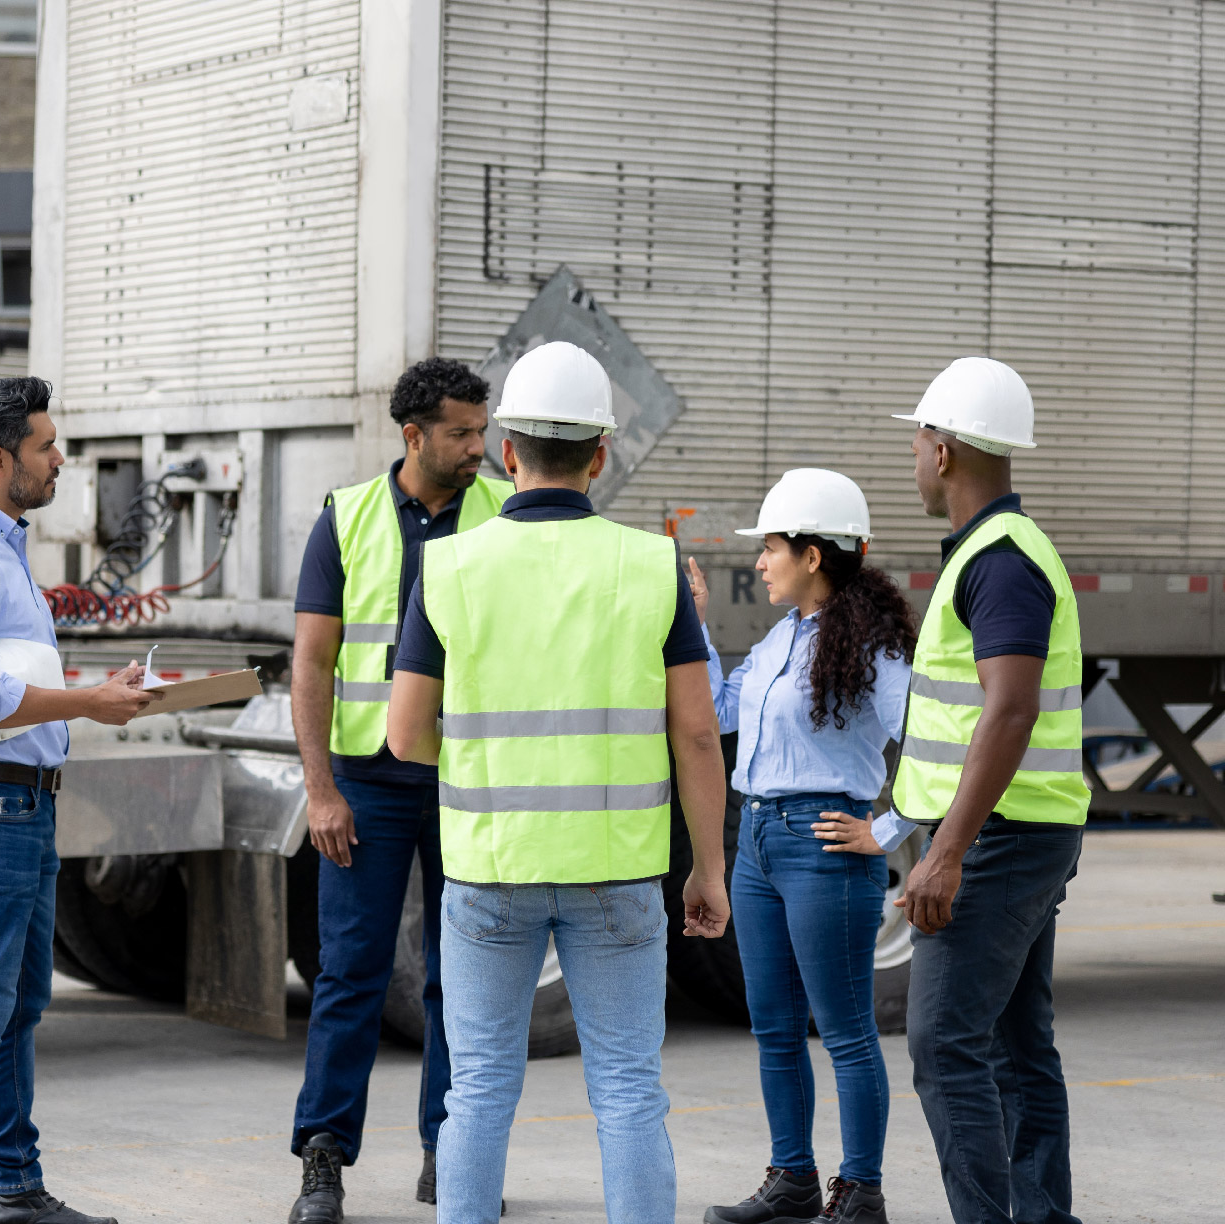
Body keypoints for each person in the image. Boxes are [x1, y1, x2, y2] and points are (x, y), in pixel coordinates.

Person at [385, 340, 731, 1224]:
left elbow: (403, 735)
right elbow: (696, 732)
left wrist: (481, 768)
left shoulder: (451, 568)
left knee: (480, 1094)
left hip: (489, 874)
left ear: (508, 454)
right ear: (601, 456)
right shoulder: (652, 568)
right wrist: (707, 870)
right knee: (627, 1093)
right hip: (615, 874)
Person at [0, 376, 157, 1224]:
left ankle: (14, 1183)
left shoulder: (3, 546)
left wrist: (94, 688)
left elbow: (11, 680)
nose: (61, 460)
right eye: (47, 447)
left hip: (21, 804)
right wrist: (86, 705)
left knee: (17, 1005)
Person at [285, 357, 513, 1223]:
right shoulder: (346, 519)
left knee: (465, 979)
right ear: (413, 434)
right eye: (460, 432)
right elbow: (312, 664)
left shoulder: (503, 514)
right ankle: (323, 1159)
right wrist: (321, 790)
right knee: (350, 974)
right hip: (368, 784)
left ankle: (449, 1152)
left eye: (482, 430)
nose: (478, 448)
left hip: (470, 778)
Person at [885, 357, 1088, 1224]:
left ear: (943, 449)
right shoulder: (996, 550)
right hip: (1020, 830)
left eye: (918, 442)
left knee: (944, 1046)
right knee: (1013, 1042)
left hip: (1000, 837)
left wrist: (946, 853)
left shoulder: (1001, 561)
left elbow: (1008, 713)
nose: (915, 460)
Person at [689, 469, 916, 1224]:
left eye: (773, 548)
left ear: (814, 554)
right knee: (774, 1026)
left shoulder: (876, 649)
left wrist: (883, 830)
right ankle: (792, 1178)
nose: (761, 563)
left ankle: (860, 1192)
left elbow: (935, 746)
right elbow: (722, 711)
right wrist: (694, 623)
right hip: (757, 841)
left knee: (845, 1031)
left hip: (826, 846)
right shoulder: (783, 635)